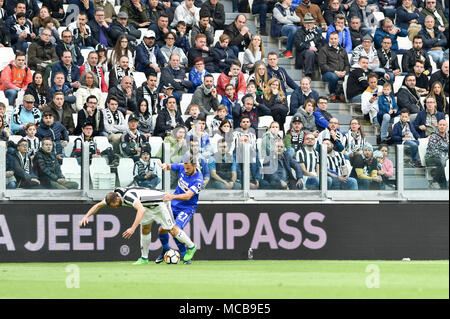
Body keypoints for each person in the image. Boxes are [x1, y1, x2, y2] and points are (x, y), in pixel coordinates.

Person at [79, 184, 198, 264]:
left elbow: (141, 210)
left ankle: (191, 247)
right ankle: (144, 258)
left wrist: (132, 228)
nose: (114, 208)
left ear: (118, 200)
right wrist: (86, 216)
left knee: (172, 229)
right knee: (145, 228)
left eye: (114, 206)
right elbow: (98, 205)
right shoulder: (113, 196)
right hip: (147, 205)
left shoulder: (128, 197)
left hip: (161, 203)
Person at [155, 156, 202, 264]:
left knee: (175, 229)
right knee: (162, 230)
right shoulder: (183, 166)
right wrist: (164, 166)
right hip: (174, 205)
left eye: (188, 169)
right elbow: (170, 166)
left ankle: (186, 253)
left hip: (187, 207)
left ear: (195, 166)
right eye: (185, 168)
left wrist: (172, 197)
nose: (185, 171)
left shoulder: (198, 180)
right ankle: (165, 250)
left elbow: (188, 196)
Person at [318, 31, 350, 102]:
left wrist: (344, 71)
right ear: (329, 39)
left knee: (350, 76)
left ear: (338, 39)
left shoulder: (343, 50)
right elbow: (322, 65)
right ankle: (332, 93)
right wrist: (335, 72)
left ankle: (341, 93)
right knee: (333, 77)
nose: (333, 41)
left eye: (335, 39)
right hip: (328, 73)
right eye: (331, 39)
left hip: (342, 72)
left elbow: (347, 65)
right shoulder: (324, 50)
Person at [425, 119, 448, 189]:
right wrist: (444, 153)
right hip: (431, 158)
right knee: (440, 162)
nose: (442, 126)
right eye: (440, 125)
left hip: (444, 157)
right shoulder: (433, 136)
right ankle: (435, 182)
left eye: (444, 125)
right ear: (438, 126)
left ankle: (444, 186)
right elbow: (433, 150)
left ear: (447, 127)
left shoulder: (448, 136)